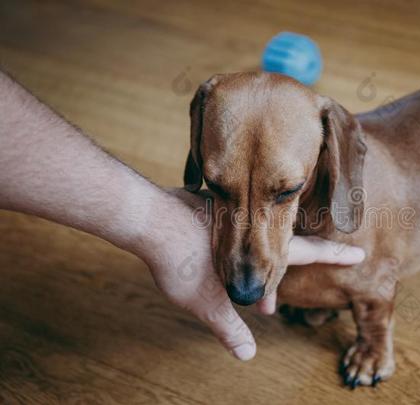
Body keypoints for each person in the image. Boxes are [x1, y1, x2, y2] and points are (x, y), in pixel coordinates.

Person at [0, 71, 365, 361]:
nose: (243, 282)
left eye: (285, 192)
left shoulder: (331, 134)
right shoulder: (212, 105)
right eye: (219, 187)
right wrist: (155, 225)